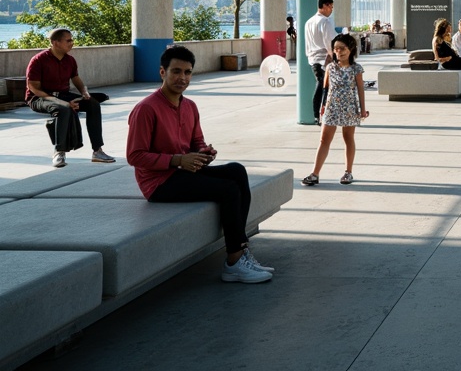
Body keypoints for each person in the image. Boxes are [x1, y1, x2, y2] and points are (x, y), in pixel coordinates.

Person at [126, 45, 273, 283]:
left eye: (187, 72)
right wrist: (177, 159)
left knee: (236, 170)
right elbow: (135, 155)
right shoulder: (146, 108)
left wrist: (204, 152)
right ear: (162, 72)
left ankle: (242, 248)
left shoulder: (189, 106)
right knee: (228, 190)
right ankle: (234, 260)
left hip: (184, 171)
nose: (182, 78)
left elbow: (196, 142)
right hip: (158, 183)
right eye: (176, 71)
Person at [25, 28, 116, 167]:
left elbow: (76, 79)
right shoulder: (38, 60)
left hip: (63, 95)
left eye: (72, 40)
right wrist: (62, 102)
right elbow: (34, 88)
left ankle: (97, 151)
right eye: (68, 40)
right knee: (64, 109)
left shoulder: (70, 60)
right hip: (40, 98)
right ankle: (59, 152)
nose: (72, 43)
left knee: (93, 104)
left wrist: (85, 92)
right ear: (56, 43)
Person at [302, 33, 368, 186]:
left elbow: (360, 90)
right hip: (331, 107)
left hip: (350, 107)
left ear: (351, 49)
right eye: (336, 49)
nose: (339, 52)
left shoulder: (356, 69)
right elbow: (325, 88)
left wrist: (362, 110)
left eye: (342, 48)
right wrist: (322, 107)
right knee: (324, 139)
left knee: (348, 138)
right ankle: (315, 174)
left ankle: (348, 172)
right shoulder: (330, 67)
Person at [304, 0, 335, 125]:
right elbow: (330, 42)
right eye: (331, 7)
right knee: (326, 87)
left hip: (313, 59)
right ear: (325, 6)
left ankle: (317, 115)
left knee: (320, 85)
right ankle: (323, 115)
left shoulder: (309, 22)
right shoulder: (325, 22)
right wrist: (334, 57)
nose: (331, 10)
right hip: (325, 59)